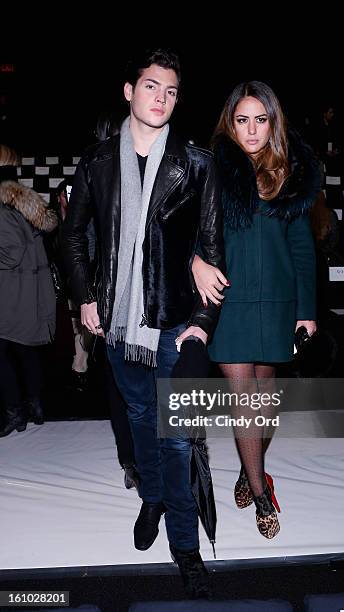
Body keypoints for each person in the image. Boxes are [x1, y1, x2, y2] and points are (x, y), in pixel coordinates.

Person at [62, 49, 224, 599]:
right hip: (118, 329)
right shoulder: (97, 162)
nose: (162, 98)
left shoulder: (197, 163)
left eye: (172, 91)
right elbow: (72, 235)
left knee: (177, 441)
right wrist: (85, 297)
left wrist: (203, 319)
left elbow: (211, 247)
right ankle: (150, 496)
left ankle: (186, 548)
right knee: (137, 421)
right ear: (128, 90)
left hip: (175, 326)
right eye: (152, 86)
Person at [192, 81, 321, 538]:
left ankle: (249, 467)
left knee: (264, 405)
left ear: (273, 122)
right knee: (245, 400)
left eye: (260, 120)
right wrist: (195, 262)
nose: (251, 130)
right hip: (228, 299)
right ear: (231, 122)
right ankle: (261, 491)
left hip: (279, 303)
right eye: (242, 120)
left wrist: (307, 311)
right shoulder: (211, 169)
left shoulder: (292, 172)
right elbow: (186, 233)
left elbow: (303, 250)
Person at [0, 144, 57, 437]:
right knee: (25, 352)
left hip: (12, 294)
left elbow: (10, 253)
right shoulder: (24, 202)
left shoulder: (3, 204)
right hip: (29, 292)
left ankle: (15, 412)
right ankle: (34, 407)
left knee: (4, 354)